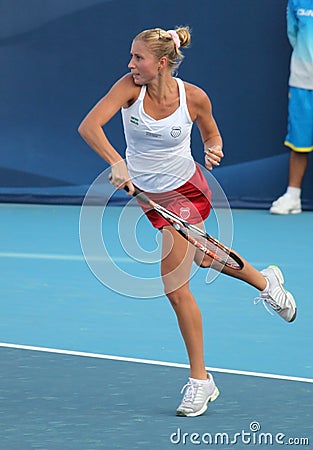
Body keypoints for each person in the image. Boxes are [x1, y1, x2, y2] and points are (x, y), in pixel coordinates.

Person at [78, 26, 297, 417]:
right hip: (148, 197)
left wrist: (213, 150)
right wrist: (116, 161)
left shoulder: (193, 98)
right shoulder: (129, 87)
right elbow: (89, 126)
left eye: (138, 58)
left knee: (175, 288)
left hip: (186, 191)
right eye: (131, 57)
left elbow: (213, 136)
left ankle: (201, 381)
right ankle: (267, 282)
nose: (131, 64)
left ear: (162, 63)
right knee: (203, 257)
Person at [270, 0, 313, 214]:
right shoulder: (297, 2)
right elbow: (294, 35)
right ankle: (293, 196)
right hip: (302, 82)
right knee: (299, 141)